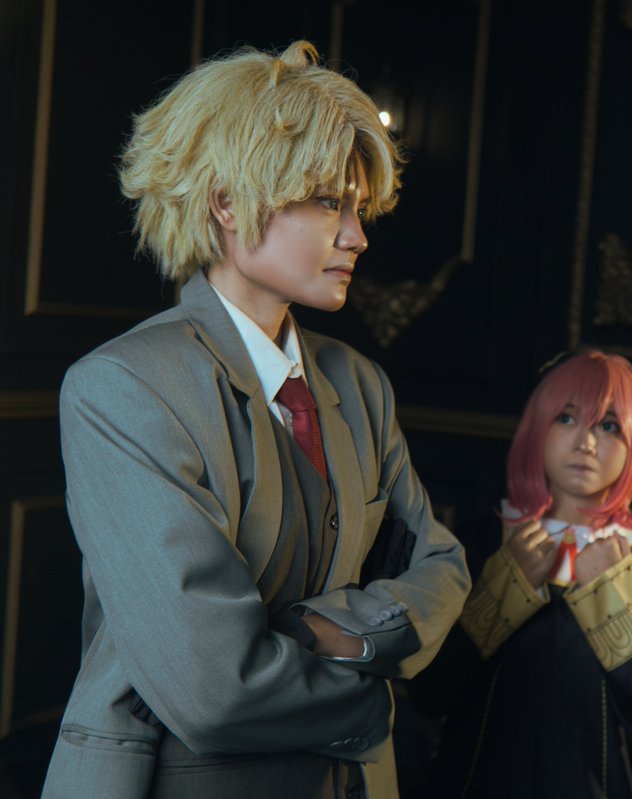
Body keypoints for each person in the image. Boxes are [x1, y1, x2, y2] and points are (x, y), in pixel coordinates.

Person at [43, 41, 470, 799]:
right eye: (328, 202)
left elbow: (441, 570)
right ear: (228, 203)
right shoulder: (122, 388)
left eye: (357, 208)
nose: (357, 235)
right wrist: (371, 699)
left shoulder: (360, 385)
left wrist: (321, 633)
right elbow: (214, 688)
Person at [407, 350, 632, 798]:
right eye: (566, 418)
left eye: (609, 426)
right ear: (537, 427)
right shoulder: (478, 545)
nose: (586, 443)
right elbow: (428, 691)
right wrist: (503, 591)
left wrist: (609, 592)